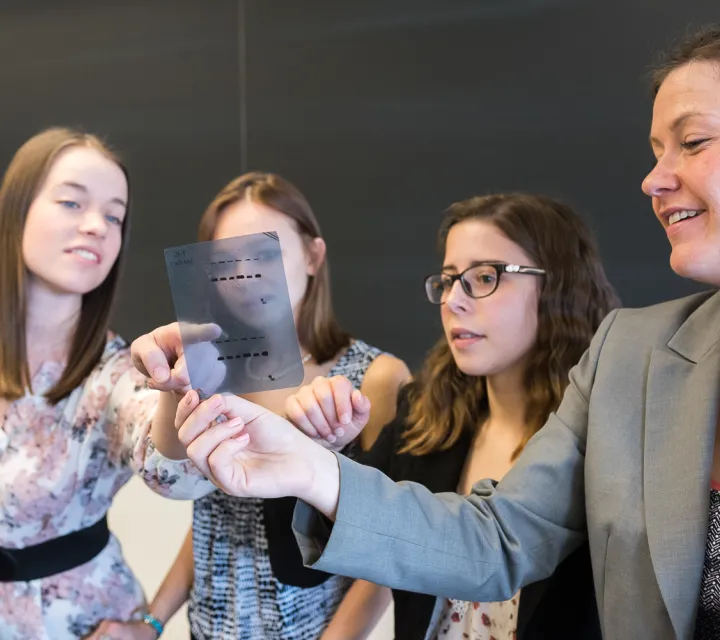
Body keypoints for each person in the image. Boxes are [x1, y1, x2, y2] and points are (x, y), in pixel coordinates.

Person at [170, 26, 720, 639]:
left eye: (692, 141)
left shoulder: (377, 374)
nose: (654, 179)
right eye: (449, 278)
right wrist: (308, 463)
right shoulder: (623, 360)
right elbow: (492, 540)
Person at [313, 193, 617, 640]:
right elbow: (315, 556)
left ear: (557, 287)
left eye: (485, 277)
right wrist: (321, 449)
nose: (454, 300)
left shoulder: (607, 437)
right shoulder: (424, 416)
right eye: (450, 280)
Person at [127, 172, 410, 640]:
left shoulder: (374, 378)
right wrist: (153, 621)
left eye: (263, 253)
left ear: (314, 255)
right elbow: (213, 520)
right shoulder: (216, 375)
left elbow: (393, 544)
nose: (244, 274)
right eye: (224, 262)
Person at [0, 128, 210, 640]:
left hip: (75, 623)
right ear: (16, 210)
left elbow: (172, 471)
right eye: (72, 202)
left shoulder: (114, 374)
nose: (96, 225)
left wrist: (174, 389)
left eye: (114, 215)